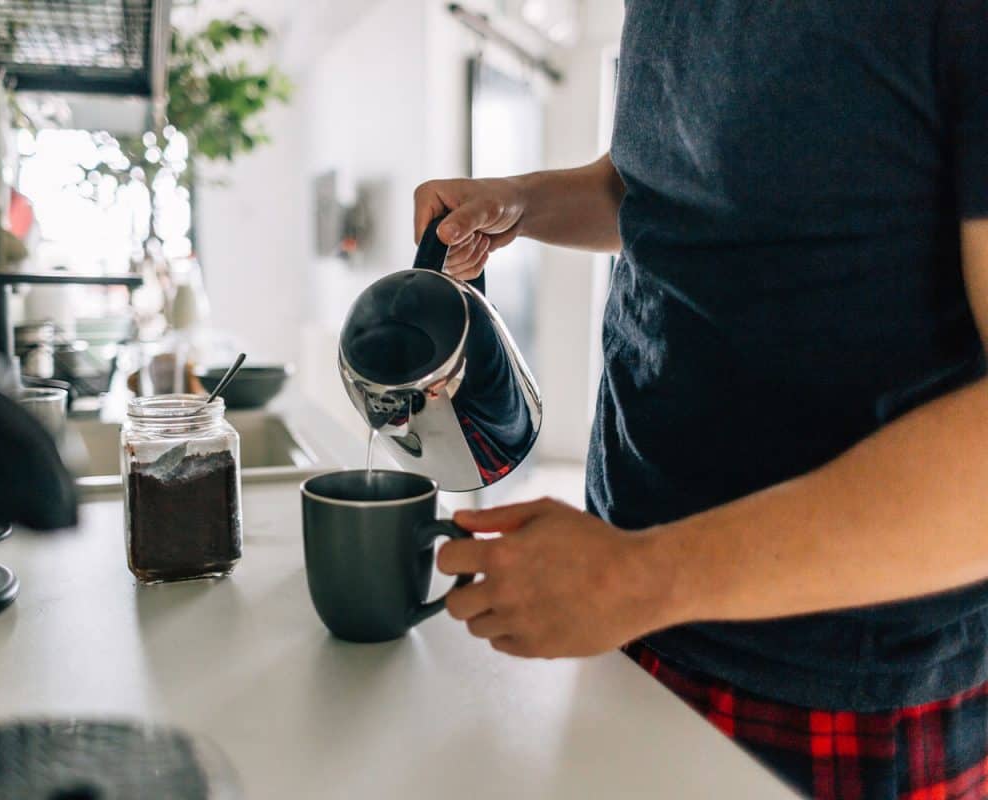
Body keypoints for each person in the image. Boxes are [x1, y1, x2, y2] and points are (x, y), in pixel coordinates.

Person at [414, 4, 988, 799]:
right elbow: (647, 184)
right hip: (635, 614)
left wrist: (639, 578)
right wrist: (522, 199)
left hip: (838, 682)